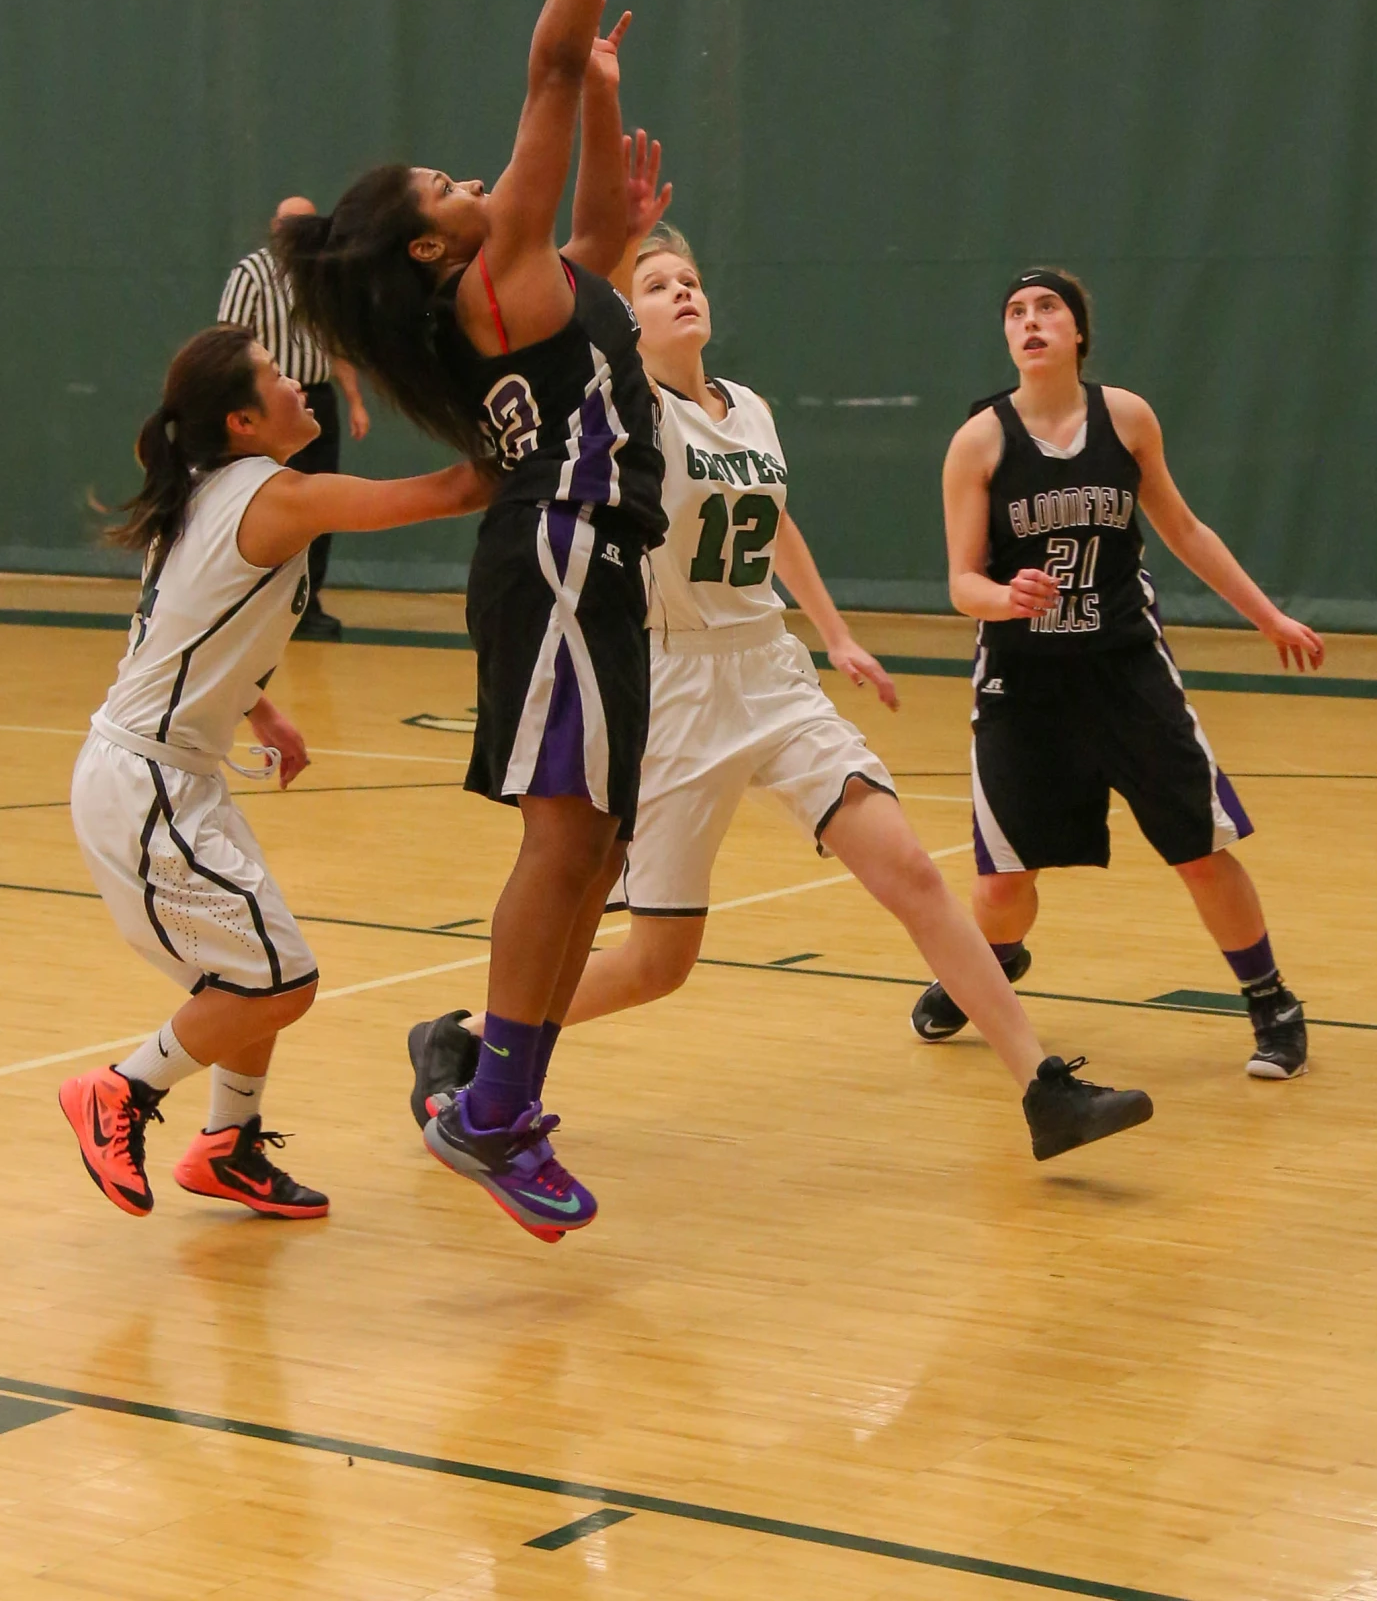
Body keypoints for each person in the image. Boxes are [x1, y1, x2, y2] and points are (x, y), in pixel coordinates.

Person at [410, 228, 1155, 1165]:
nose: (681, 292)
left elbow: (774, 522)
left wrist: (834, 631)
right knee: (656, 964)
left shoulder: (748, 409)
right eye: (655, 284)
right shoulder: (625, 414)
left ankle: (1044, 1091)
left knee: (913, 874)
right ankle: (475, 1042)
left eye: (690, 278)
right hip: (677, 683)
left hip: (769, 667)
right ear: (621, 314)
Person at [277, 0, 664, 1242]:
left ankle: (499, 1098)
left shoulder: (516, 290)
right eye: (449, 184)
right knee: (568, 848)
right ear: (439, 245)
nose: (471, 180)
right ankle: (490, 1109)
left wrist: (610, 93)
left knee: (600, 849)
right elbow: (546, 66)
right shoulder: (486, 285)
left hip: (581, 562)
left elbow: (609, 241)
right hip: (563, 553)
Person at [59, 322, 486, 1221]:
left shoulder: (211, 489)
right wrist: (533, 426)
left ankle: (228, 1147)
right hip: (148, 787)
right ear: (246, 421)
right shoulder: (276, 494)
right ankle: (121, 1091)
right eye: (274, 377)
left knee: (251, 975)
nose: (300, 384)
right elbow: (451, 489)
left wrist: (259, 705)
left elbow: (193, 620)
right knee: (279, 982)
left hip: (169, 776)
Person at [913, 267, 1321, 1080]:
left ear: (1076, 333)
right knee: (1001, 885)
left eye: (1047, 309)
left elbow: (1184, 527)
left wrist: (1265, 614)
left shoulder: (1126, 418)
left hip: (1124, 665)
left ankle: (1271, 1001)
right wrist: (1004, 594)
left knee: (1199, 847)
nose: (1029, 322)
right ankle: (985, 970)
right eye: (1015, 312)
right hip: (1023, 679)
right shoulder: (978, 441)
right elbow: (960, 582)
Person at [219, 197, 371, 641]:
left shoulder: (322, 274)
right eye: (288, 223)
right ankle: (256, 602)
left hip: (316, 399)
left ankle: (306, 603)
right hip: (271, 402)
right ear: (274, 226)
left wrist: (355, 400)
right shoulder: (251, 273)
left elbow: (336, 345)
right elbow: (230, 341)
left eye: (304, 223)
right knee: (268, 502)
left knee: (321, 502)